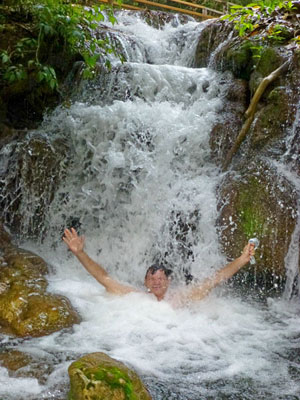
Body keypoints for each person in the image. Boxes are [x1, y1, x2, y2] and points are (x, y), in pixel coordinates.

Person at [63, 227, 255, 307]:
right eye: (152, 279)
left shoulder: (181, 298)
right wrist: (80, 253)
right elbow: (104, 278)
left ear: (168, 281)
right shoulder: (136, 296)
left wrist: (241, 259)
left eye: (160, 279)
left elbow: (214, 280)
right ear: (145, 282)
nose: (156, 282)